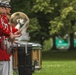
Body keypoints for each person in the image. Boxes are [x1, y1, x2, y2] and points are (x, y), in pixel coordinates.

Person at [0, 1, 22, 75]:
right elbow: (2, 29)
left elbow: (7, 29)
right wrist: (10, 34)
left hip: (5, 47)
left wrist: (13, 33)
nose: (6, 9)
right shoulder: (2, 18)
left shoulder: (4, 18)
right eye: (3, 7)